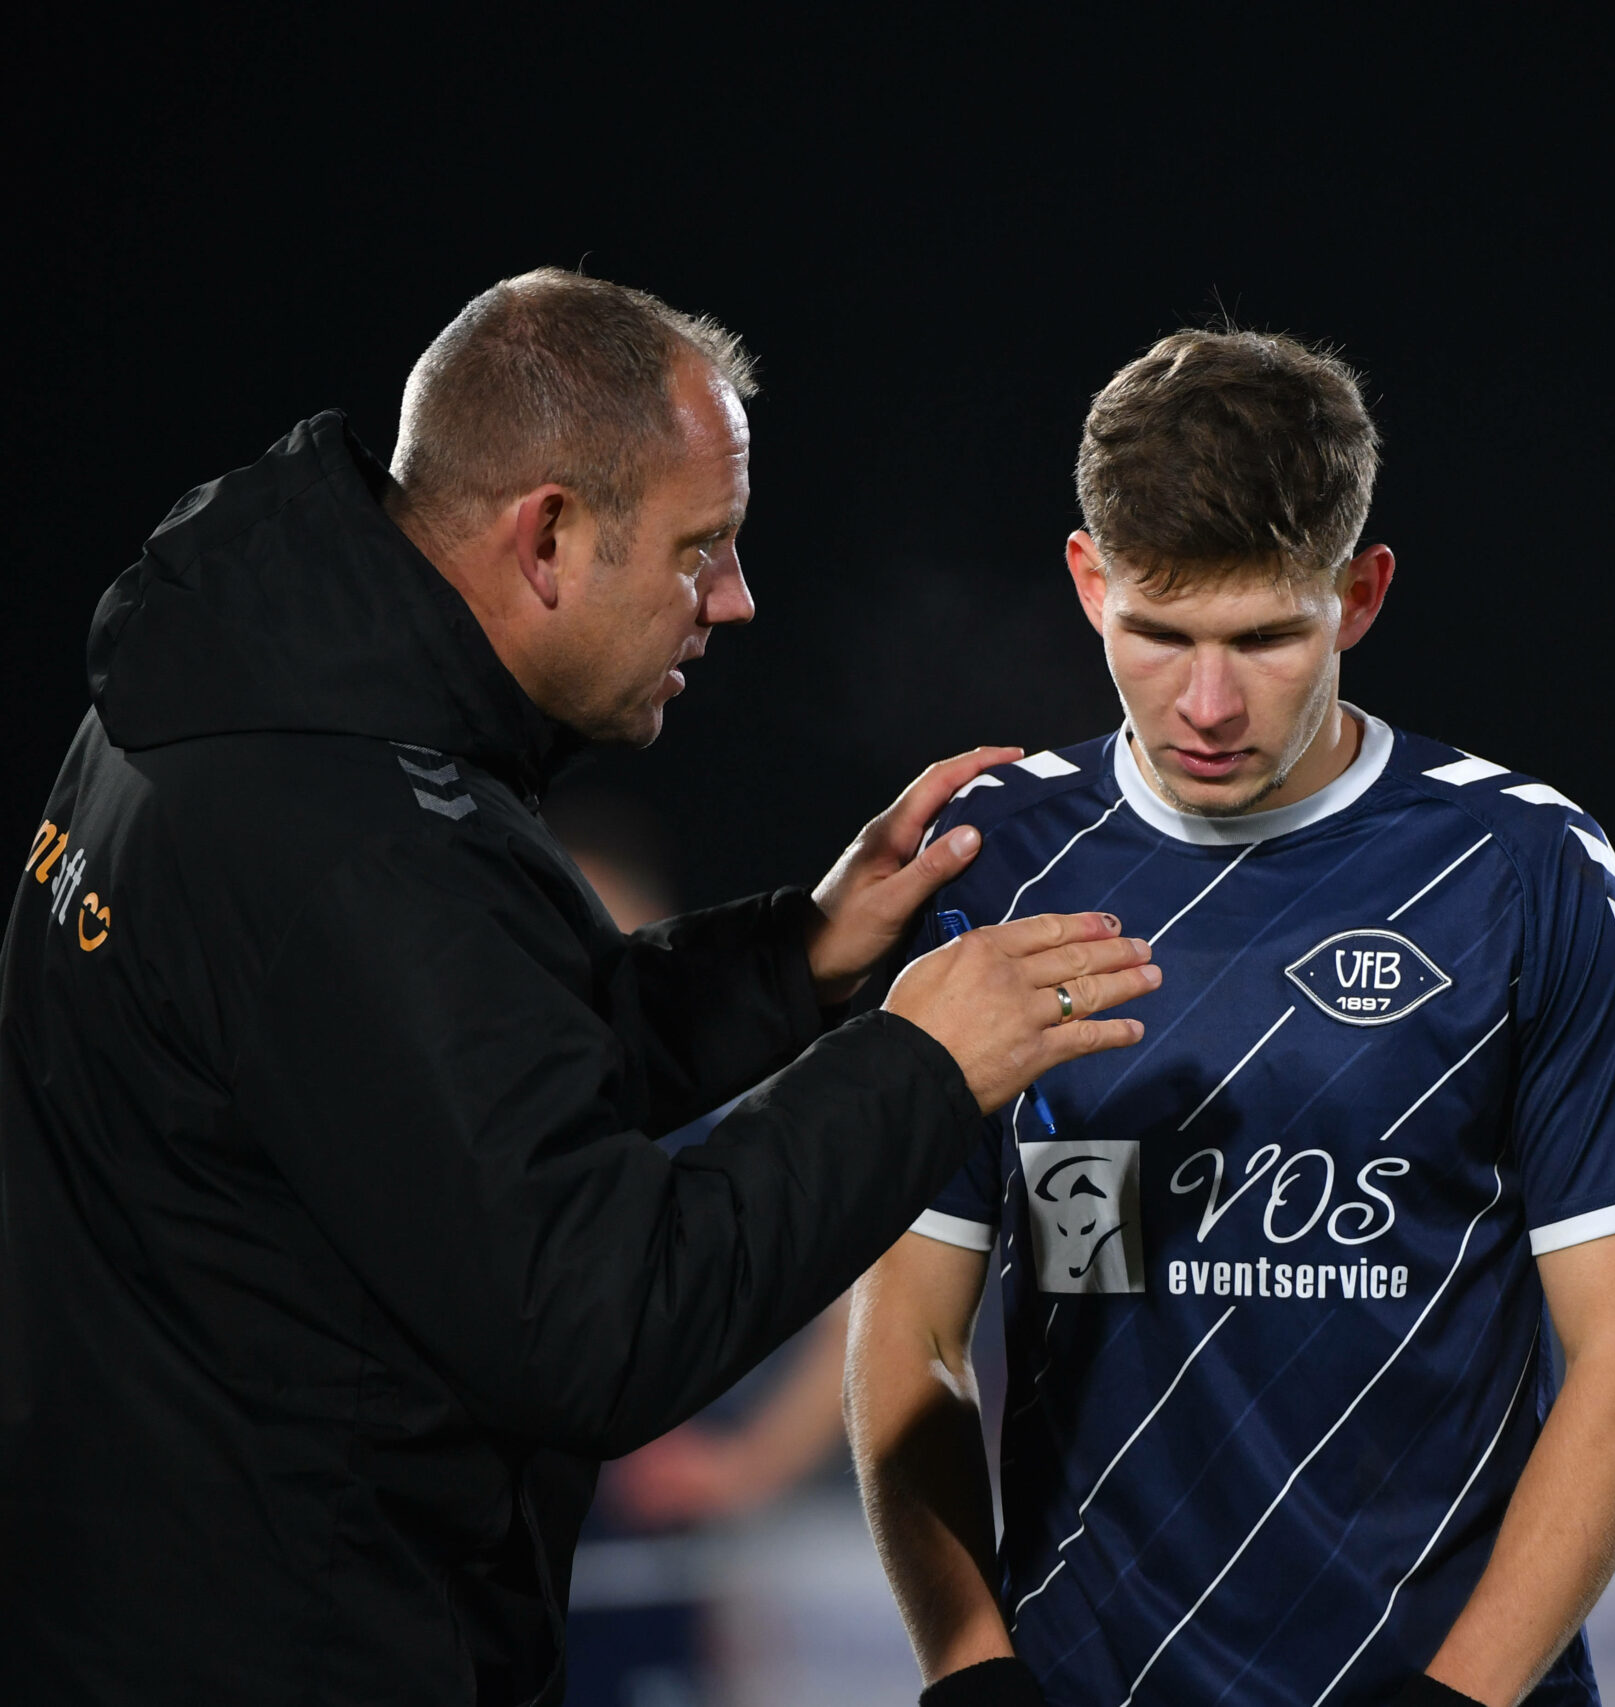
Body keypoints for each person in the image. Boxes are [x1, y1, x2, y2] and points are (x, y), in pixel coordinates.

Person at [0, 268, 1159, 1707]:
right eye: (701, 547)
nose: (734, 602)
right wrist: (920, 1065)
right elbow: (600, 1326)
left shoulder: (233, 692)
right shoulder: (356, 845)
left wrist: (793, 958)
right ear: (546, 534)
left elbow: (438, 1088)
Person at [845, 330, 1615, 1707]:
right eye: (1159, 633)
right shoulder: (996, 869)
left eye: (1262, 638)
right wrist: (968, 1671)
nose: (1205, 703)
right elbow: (910, 1335)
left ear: (1359, 595)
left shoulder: (1519, 869)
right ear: (1088, 581)